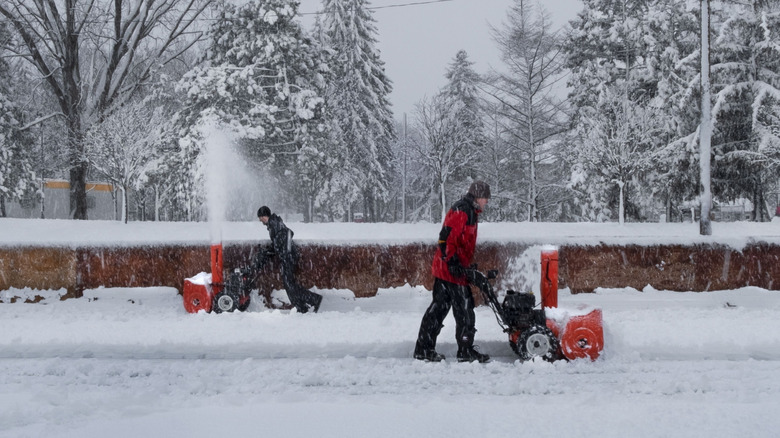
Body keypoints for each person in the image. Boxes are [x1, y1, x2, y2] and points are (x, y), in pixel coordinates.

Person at [413, 181, 492, 363]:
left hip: (449, 267)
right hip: (450, 269)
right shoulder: (462, 211)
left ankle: (423, 349)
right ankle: (465, 351)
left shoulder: (469, 211)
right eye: (485, 198)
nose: (486, 201)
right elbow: (446, 238)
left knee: (438, 310)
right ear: (478, 197)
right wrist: (453, 262)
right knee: (464, 310)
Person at [254, 206, 322, 313]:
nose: (260, 220)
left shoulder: (274, 224)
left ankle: (313, 300)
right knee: (289, 284)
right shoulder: (274, 223)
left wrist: (272, 250)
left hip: (288, 257)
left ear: (264, 216)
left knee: (289, 284)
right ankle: (301, 307)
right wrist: (270, 249)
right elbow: (279, 240)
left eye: (260, 217)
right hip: (288, 256)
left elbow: (282, 239)